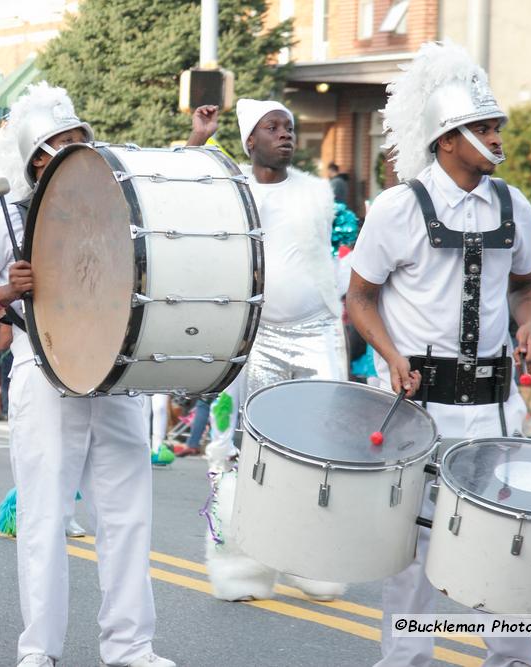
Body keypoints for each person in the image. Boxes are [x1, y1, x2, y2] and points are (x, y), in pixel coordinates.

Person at [0, 82, 174, 667]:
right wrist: (5, 292)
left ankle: (131, 646)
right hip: (43, 370)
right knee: (45, 513)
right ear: (34, 161)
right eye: (56, 145)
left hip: (116, 375)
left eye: (79, 140)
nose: (73, 152)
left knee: (128, 512)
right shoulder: (6, 218)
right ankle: (39, 650)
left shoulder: (121, 206)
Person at [346, 41, 531, 667]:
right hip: (420, 405)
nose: (495, 137)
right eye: (482, 128)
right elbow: (360, 299)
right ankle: (405, 659)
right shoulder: (397, 209)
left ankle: (514, 657)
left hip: (495, 406)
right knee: (414, 551)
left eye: (496, 126)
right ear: (447, 139)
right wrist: (391, 356)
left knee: (508, 542)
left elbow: (527, 287)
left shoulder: (513, 206)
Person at [189, 100, 349, 602]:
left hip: (316, 331)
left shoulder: (317, 192)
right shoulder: (230, 187)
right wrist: (199, 138)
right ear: (248, 140)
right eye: (271, 127)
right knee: (232, 450)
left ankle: (309, 561)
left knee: (318, 452)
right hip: (248, 336)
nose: (285, 134)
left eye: (290, 127)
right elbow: (182, 189)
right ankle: (241, 569)